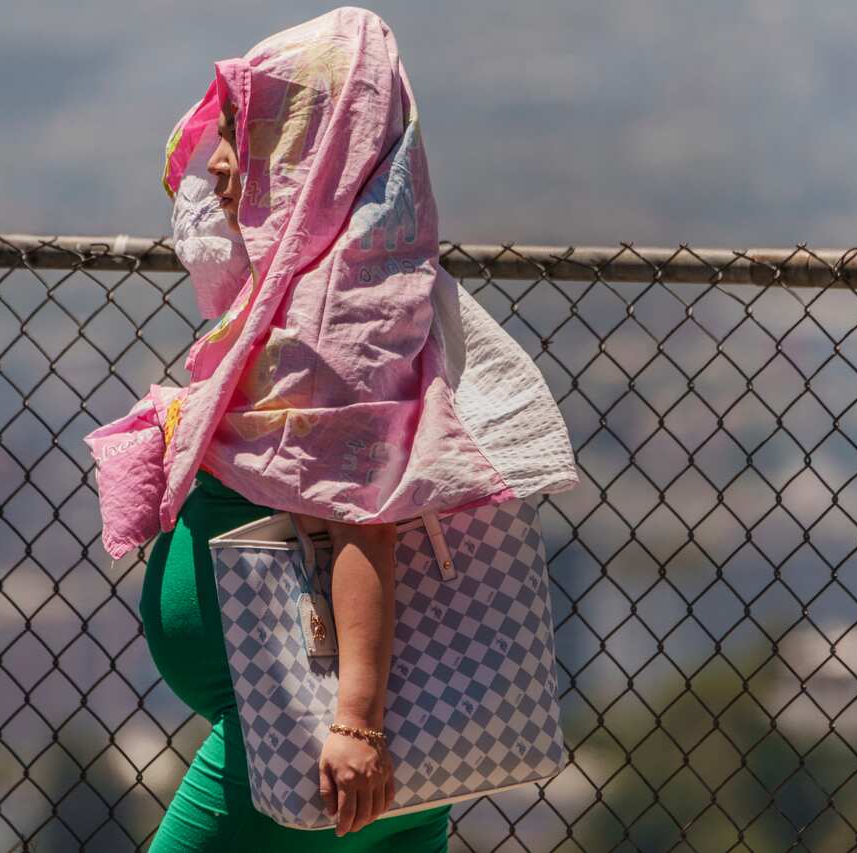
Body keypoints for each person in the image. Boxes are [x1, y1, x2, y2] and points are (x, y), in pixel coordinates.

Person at [84, 7, 579, 851]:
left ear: (310, 148)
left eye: (249, 128)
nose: (225, 161)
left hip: (308, 754)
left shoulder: (335, 325)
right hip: (380, 758)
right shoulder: (352, 296)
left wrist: (354, 722)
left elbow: (361, 517)